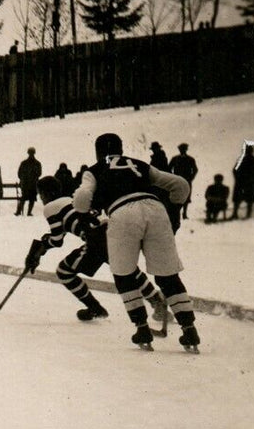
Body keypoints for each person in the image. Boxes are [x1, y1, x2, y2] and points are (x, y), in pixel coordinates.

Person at [73, 132, 199, 352]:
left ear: (98, 151)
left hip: (121, 213)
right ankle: (189, 329)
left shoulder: (92, 171)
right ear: (120, 149)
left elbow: (82, 199)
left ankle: (141, 327)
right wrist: (175, 207)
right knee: (167, 275)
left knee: (124, 273)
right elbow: (180, 185)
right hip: (155, 209)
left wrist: (84, 212)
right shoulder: (139, 164)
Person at [26, 176, 163, 322]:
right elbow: (68, 226)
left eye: (40, 194)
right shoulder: (70, 200)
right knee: (129, 269)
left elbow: (57, 240)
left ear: (46, 194)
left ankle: (95, 308)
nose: (41, 199)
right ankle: (157, 301)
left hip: (97, 240)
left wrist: (43, 245)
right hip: (114, 231)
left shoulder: (50, 208)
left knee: (64, 272)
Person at [168, 144, 198, 220]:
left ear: (186, 150)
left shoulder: (190, 159)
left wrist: (191, 178)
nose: (182, 151)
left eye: (184, 149)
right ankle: (176, 213)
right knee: (177, 195)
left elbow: (195, 169)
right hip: (177, 180)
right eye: (181, 149)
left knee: (186, 196)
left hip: (187, 180)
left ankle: (184, 213)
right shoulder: (175, 159)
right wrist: (173, 177)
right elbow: (169, 168)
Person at [232, 143, 254, 218]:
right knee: (238, 199)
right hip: (242, 181)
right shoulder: (242, 159)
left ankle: (247, 215)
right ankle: (235, 214)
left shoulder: (253, 160)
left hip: (248, 182)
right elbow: (235, 170)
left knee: (249, 199)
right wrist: (237, 178)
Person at [15, 147, 42, 216]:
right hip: (32, 184)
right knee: (31, 199)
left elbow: (19, 173)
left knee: (23, 198)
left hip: (25, 184)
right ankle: (29, 212)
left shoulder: (24, 163)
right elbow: (39, 173)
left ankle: (19, 211)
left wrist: (23, 179)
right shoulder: (37, 163)